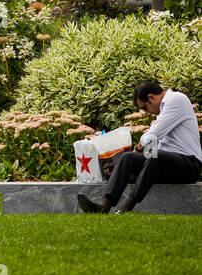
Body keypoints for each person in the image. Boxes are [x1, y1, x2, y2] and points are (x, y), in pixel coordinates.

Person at [78, 80, 202, 214]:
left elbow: (152, 135)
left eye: (144, 108)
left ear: (151, 98)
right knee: (128, 158)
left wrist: (138, 148)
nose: (146, 112)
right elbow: (154, 140)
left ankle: (127, 207)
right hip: (167, 164)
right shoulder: (163, 110)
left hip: (189, 165)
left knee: (156, 156)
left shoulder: (177, 99)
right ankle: (104, 205)